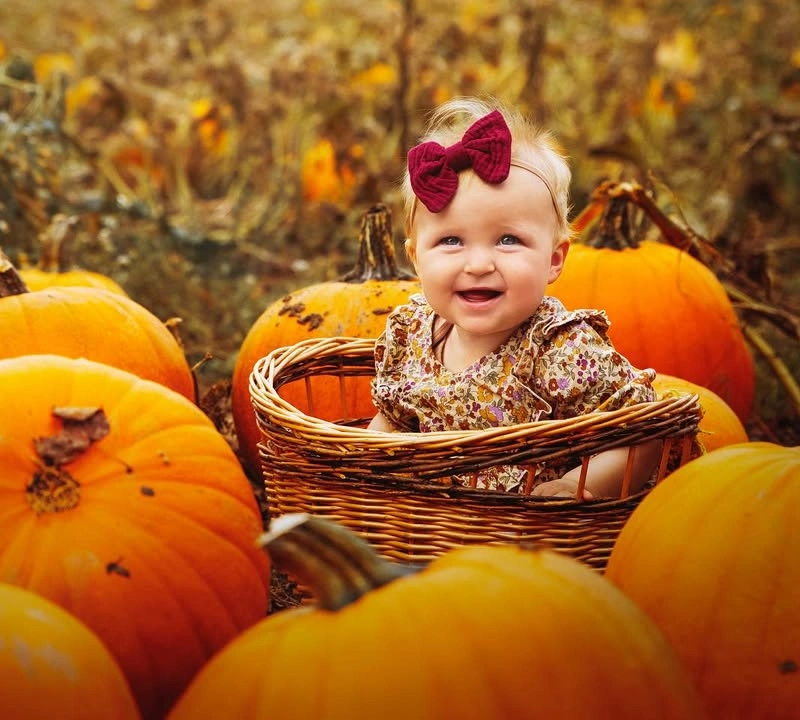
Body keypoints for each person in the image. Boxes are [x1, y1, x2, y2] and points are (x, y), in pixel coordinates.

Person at [368, 97, 660, 498]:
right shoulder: (412, 337)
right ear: (416, 259)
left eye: (508, 240)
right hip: (428, 531)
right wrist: (368, 464)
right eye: (451, 240)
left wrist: (575, 485)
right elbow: (393, 422)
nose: (478, 263)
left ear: (554, 260)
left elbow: (641, 432)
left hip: (529, 539)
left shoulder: (558, 349)